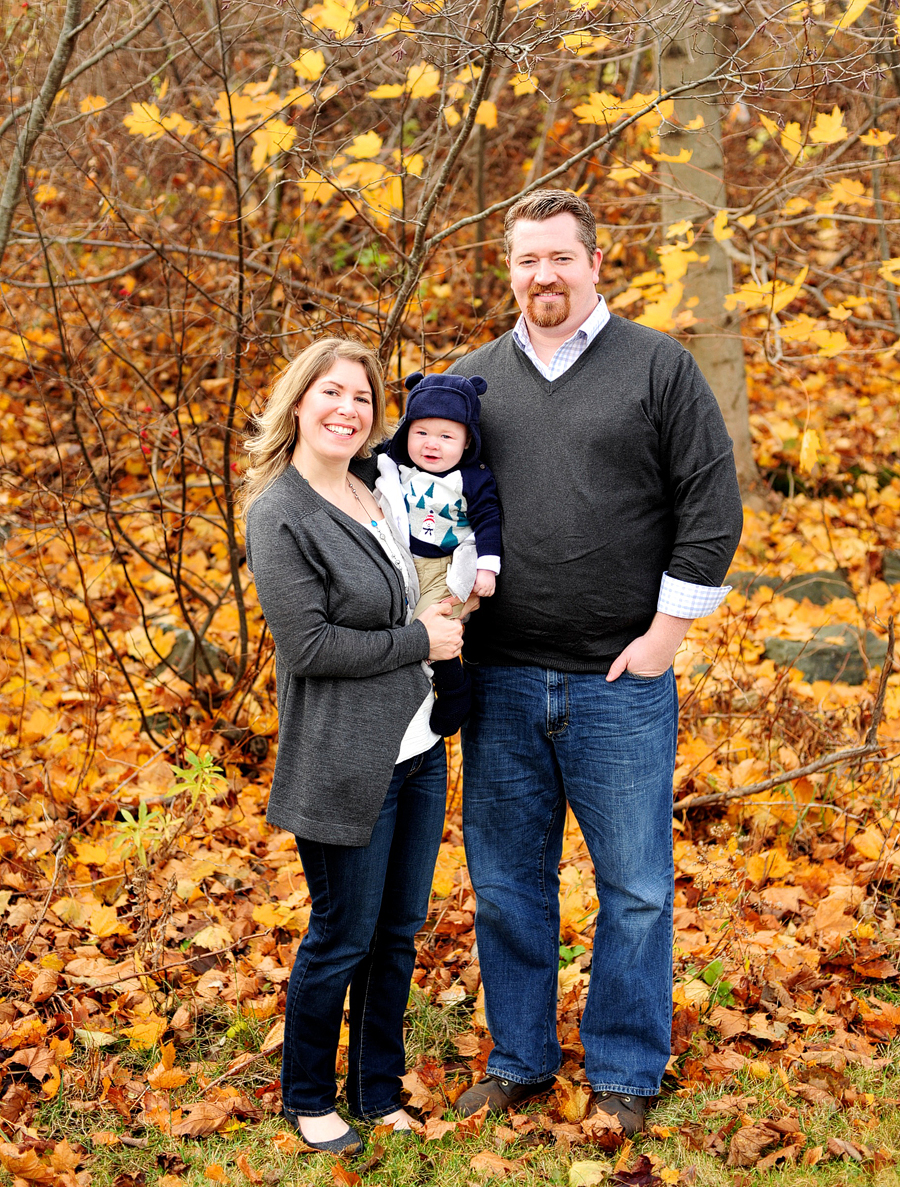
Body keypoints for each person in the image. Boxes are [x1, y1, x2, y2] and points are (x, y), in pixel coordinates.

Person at [449, 190, 744, 1135]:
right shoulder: (472, 382)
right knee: (504, 885)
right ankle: (522, 1059)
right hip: (498, 679)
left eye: (559, 258)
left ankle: (625, 1069)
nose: (543, 276)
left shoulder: (659, 368)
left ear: (594, 261)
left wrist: (664, 638)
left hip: (619, 681)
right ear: (510, 269)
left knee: (637, 890)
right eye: (526, 260)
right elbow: (428, 508)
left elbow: (710, 508)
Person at [242, 338, 464, 1155]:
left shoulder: (378, 489)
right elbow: (310, 647)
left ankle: (376, 1084)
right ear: (299, 401)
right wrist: (419, 640)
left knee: (399, 929)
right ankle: (307, 1094)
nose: (348, 409)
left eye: (363, 398)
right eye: (331, 392)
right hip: (342, 756)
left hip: (418, 746)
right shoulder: (281, 511)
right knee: (342, 931)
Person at [375, 370, 502, 736]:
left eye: (446, 436)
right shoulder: (397, 467)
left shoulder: (471, 478)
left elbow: (488, 520)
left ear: (466, 442)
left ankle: (453, 686)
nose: (432, 444)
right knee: (399, 624)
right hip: (405, 562)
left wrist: (487, 568)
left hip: (447, 566)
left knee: (429, 626)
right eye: (421, 433)